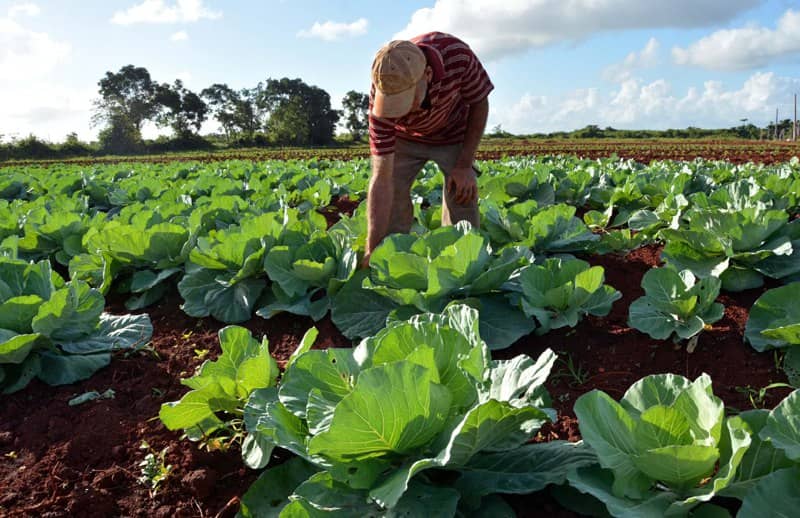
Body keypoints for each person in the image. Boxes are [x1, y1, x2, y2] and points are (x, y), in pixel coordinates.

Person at [363, 32, 493, 266]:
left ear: (428, 76)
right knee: (392, 190)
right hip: (404, 138)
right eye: (393, 105)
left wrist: (464, 165)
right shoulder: (383, 86)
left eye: (406, 102)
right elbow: (381, 179)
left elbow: (479, 101)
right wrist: (371, 249)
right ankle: (392, 261)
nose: (401, 111)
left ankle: (461, 264)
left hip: (453, 133)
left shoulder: (457, 57)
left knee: (461, 194)